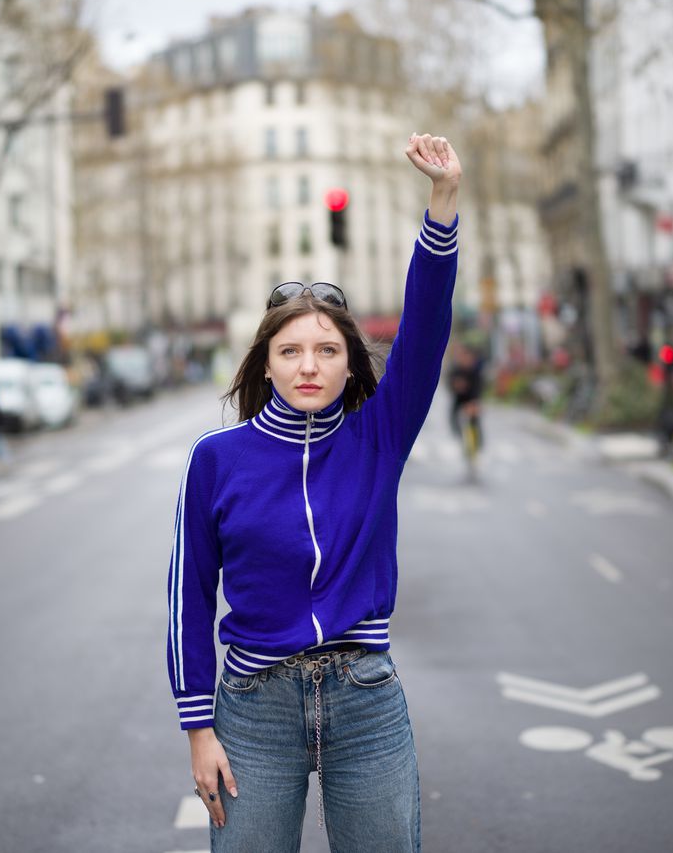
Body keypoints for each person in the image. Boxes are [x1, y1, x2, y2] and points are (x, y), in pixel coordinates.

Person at [168, 132, 460, 852]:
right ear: (265, 363)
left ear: (348, 361)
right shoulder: (217, 458)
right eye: (290, 350)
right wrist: (198, 728)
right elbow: (188, 595)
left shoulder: (378, 436)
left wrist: (444, 201)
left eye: (327, 350)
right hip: (253, 708)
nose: (309, 365)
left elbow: (424, 330)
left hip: (365, 699)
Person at [447, 341, 485, 452]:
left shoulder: (475, 372)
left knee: (475, 422)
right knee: (455, 421)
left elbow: (478, 388)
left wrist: (474, 404)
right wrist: (456, 386)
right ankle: (461, 439)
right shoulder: (456, 370)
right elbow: (451, 385)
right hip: (459, 401)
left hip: (472, 400)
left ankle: (478, 444)